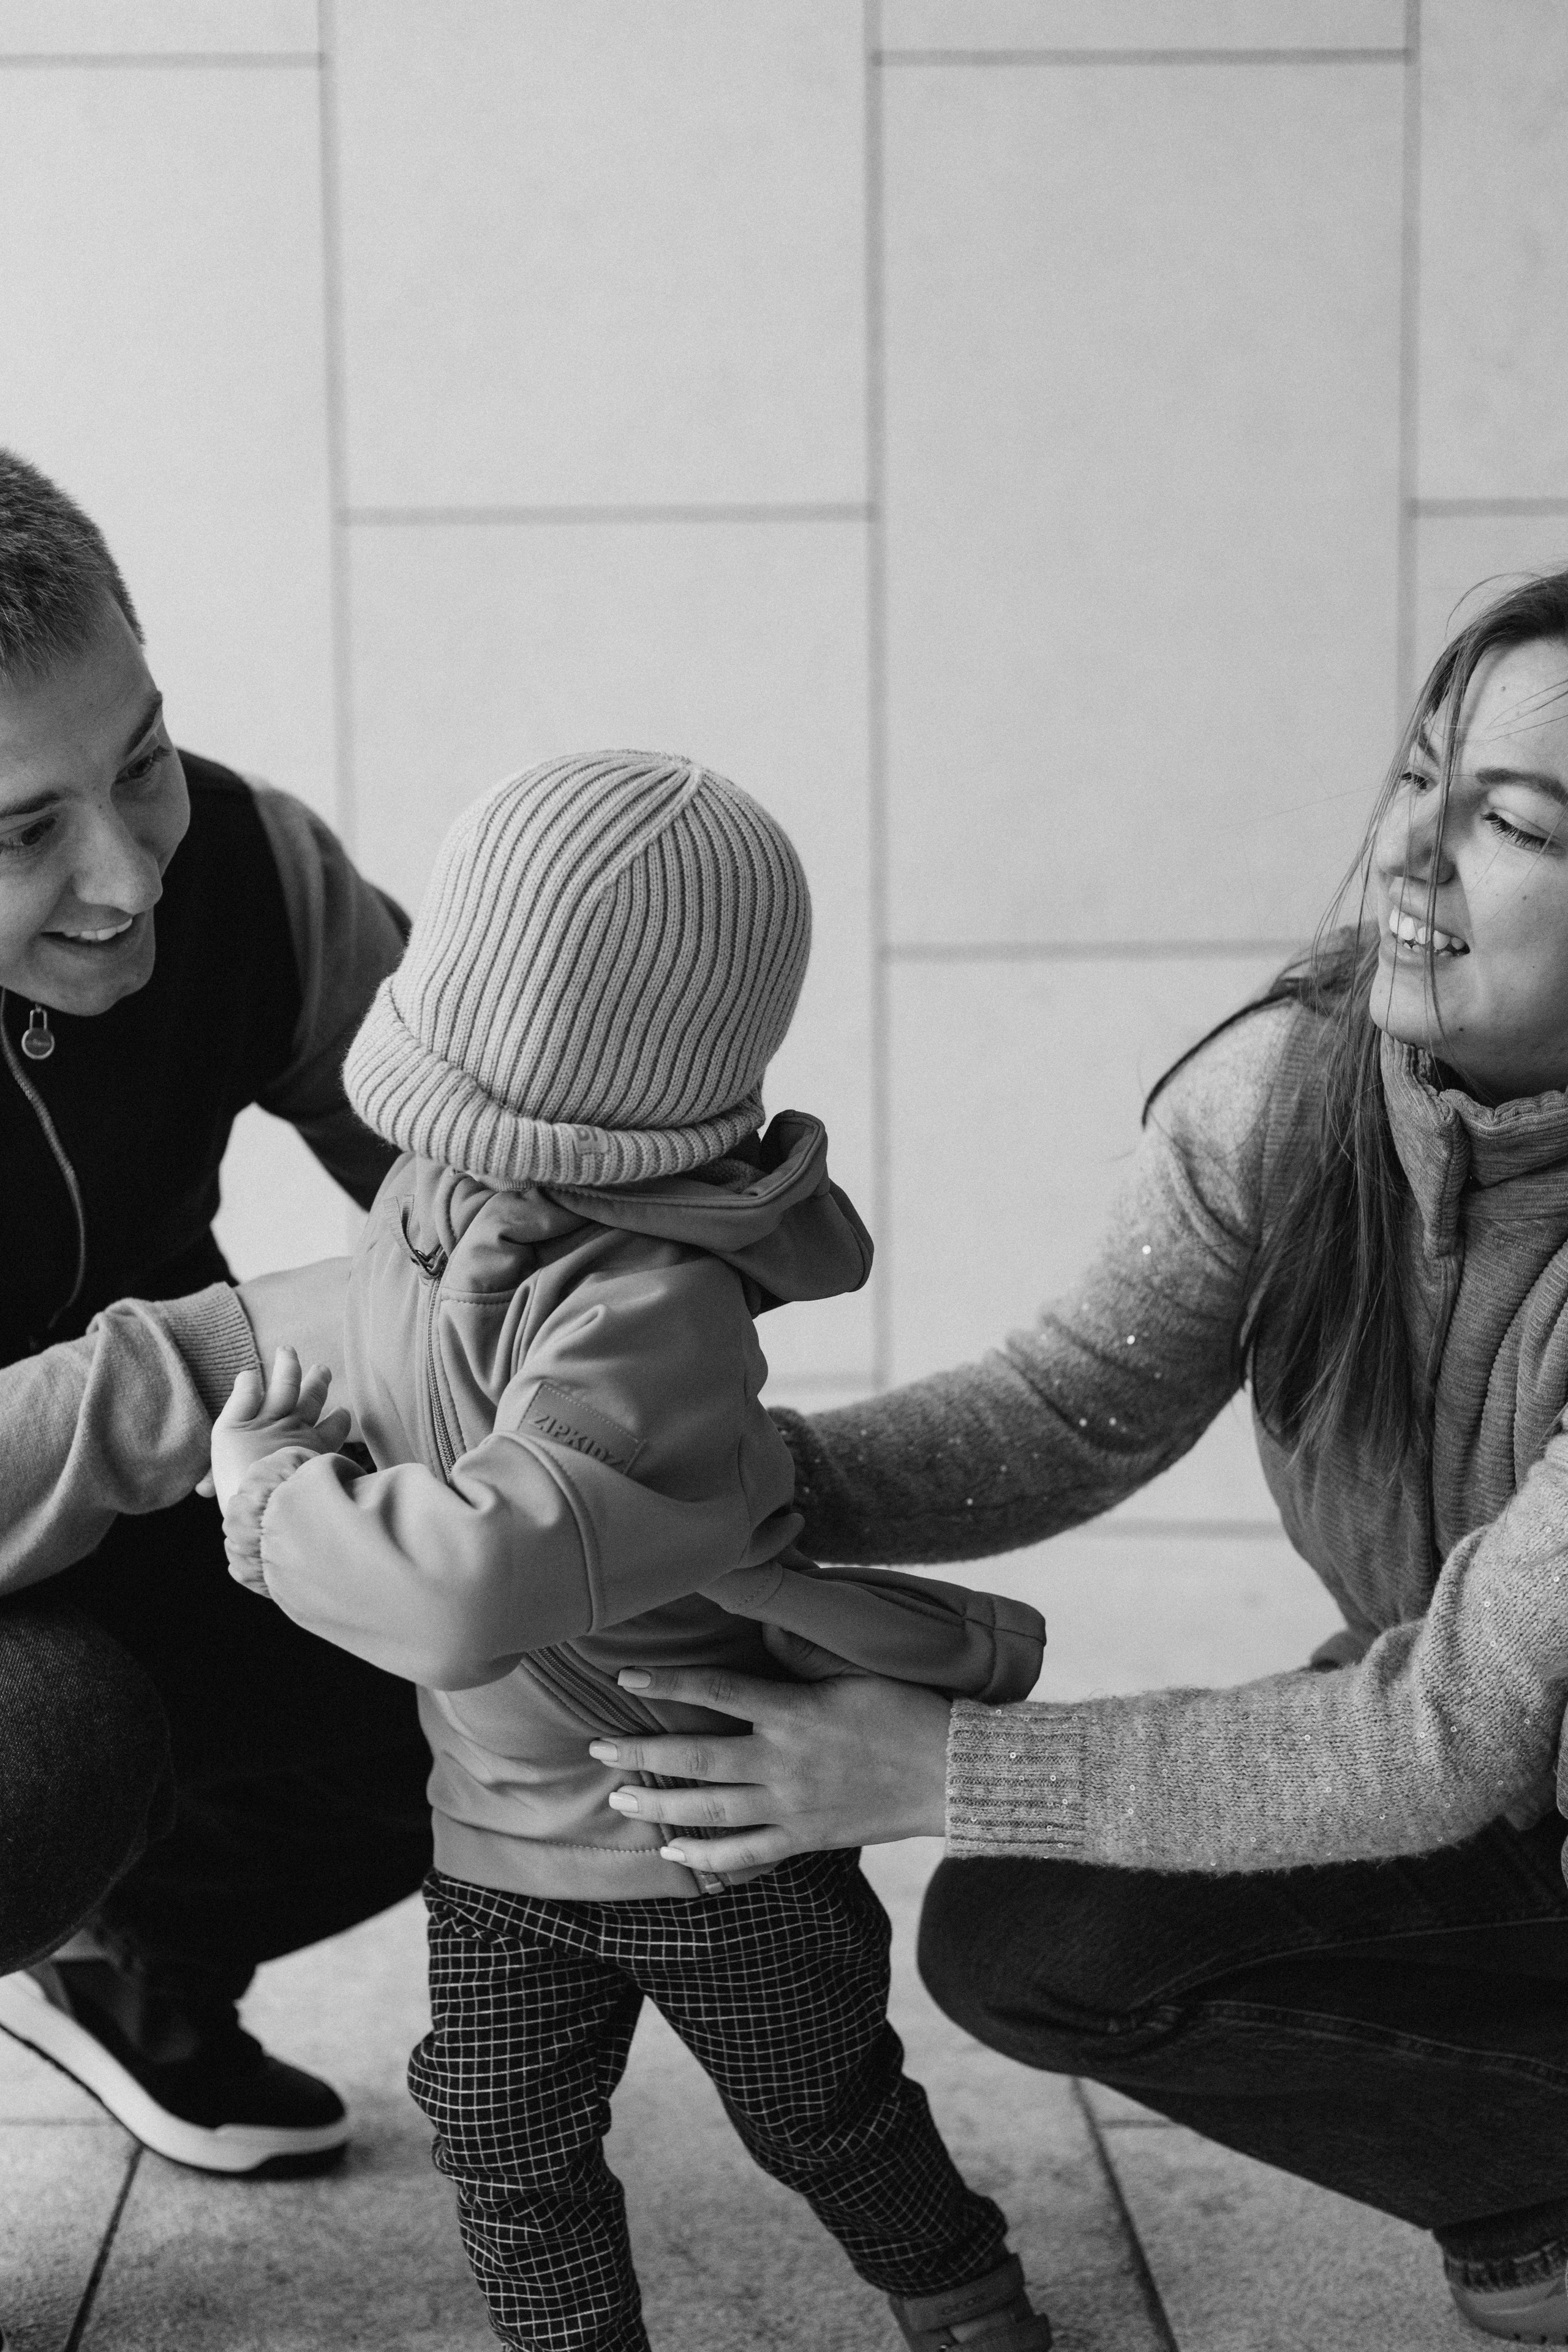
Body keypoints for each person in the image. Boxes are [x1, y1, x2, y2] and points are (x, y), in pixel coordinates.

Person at [555, 576, 1568, 2345]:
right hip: (1515, 1794)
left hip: (1497, 1756)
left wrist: (942, 1763)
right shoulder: (1297, 1090)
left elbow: (1444, 1735)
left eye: (1512, 820)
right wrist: (718, 1478)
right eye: (1423, 778)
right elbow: (1075, 1405)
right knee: (1037, 1940)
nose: (1413, 858)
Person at [197, 750, 1054, 2352]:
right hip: (499, 1829)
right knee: (502, 2142)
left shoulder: (654, 1313)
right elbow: (421, 1424)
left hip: (700, 1824)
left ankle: (967, 2297)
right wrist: (326, 1446)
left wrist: (273, 1506)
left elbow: (469, 1580)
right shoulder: (436, 1202)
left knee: (822, 2112)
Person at [0, 447, 433, 2176]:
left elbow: (494, 1183)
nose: (127, 876)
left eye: (145, 761)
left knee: (540, 1634)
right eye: (23, 833)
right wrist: (249, 1345)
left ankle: (133, 1969)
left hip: (154, 1510)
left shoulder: (255, 868)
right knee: (44, 1748)